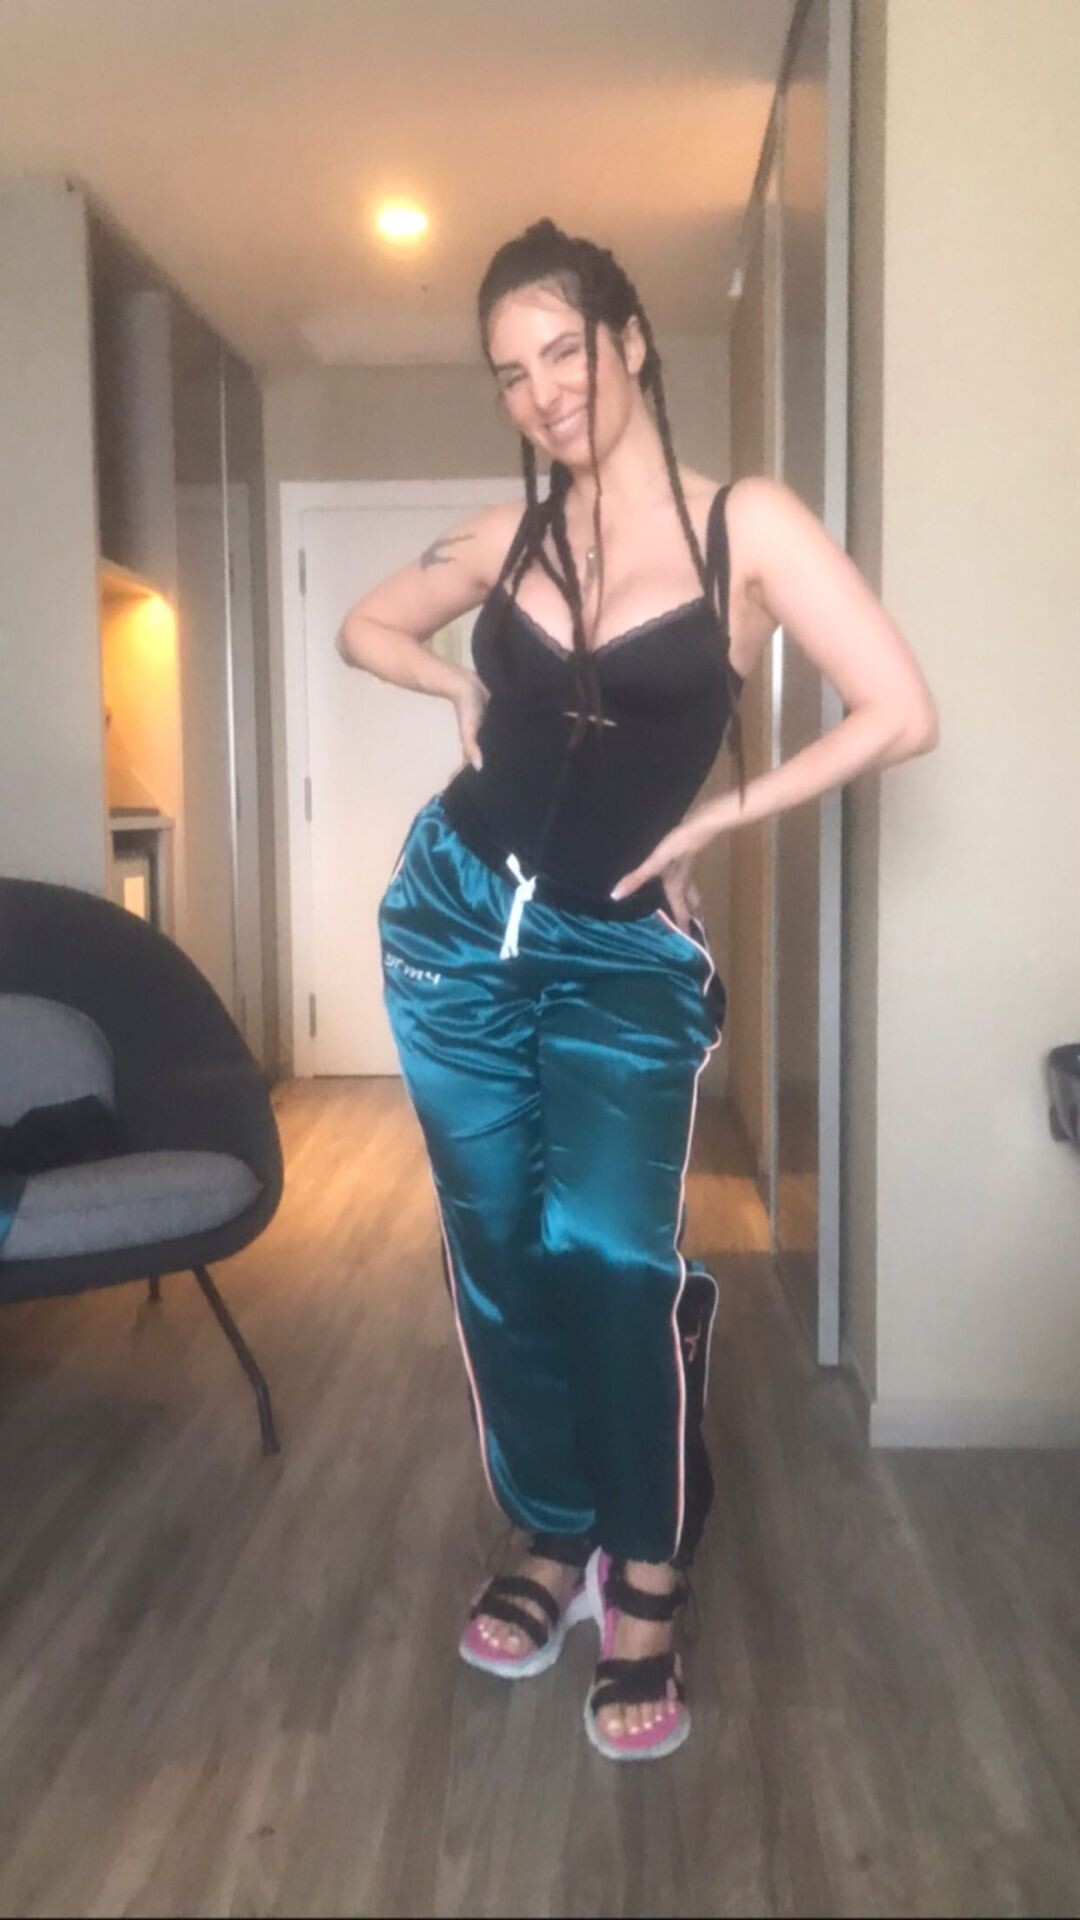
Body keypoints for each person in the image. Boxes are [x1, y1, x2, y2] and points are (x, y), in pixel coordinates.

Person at [336, 218, 938, 1762]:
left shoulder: (749, 526)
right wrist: (457, 682)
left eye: (564, 350)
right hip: (453, 927)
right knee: (497, 1252)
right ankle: (553, 1529)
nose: (544, 390)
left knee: (611, 1251)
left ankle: (648, 1564)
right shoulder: (507, 535)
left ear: (630, 340)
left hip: (619, 955)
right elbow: (363, 624)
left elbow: (898, 708)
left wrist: (718, 818)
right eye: (510, 372)